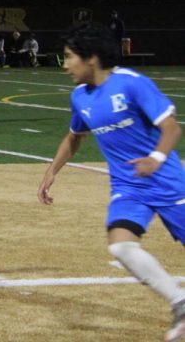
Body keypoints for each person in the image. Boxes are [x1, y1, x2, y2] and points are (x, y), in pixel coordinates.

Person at [38, 24, 185, 341]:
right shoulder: (80, 97)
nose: (64, 66)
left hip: (170, 185)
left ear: (90, 58)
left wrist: (155, 159)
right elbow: (75, 137)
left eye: (68, 57)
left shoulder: (132, 84)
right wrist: (52, 171)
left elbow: (172, 129)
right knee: (121, 245)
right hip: (129, 188)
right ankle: (180, 304)